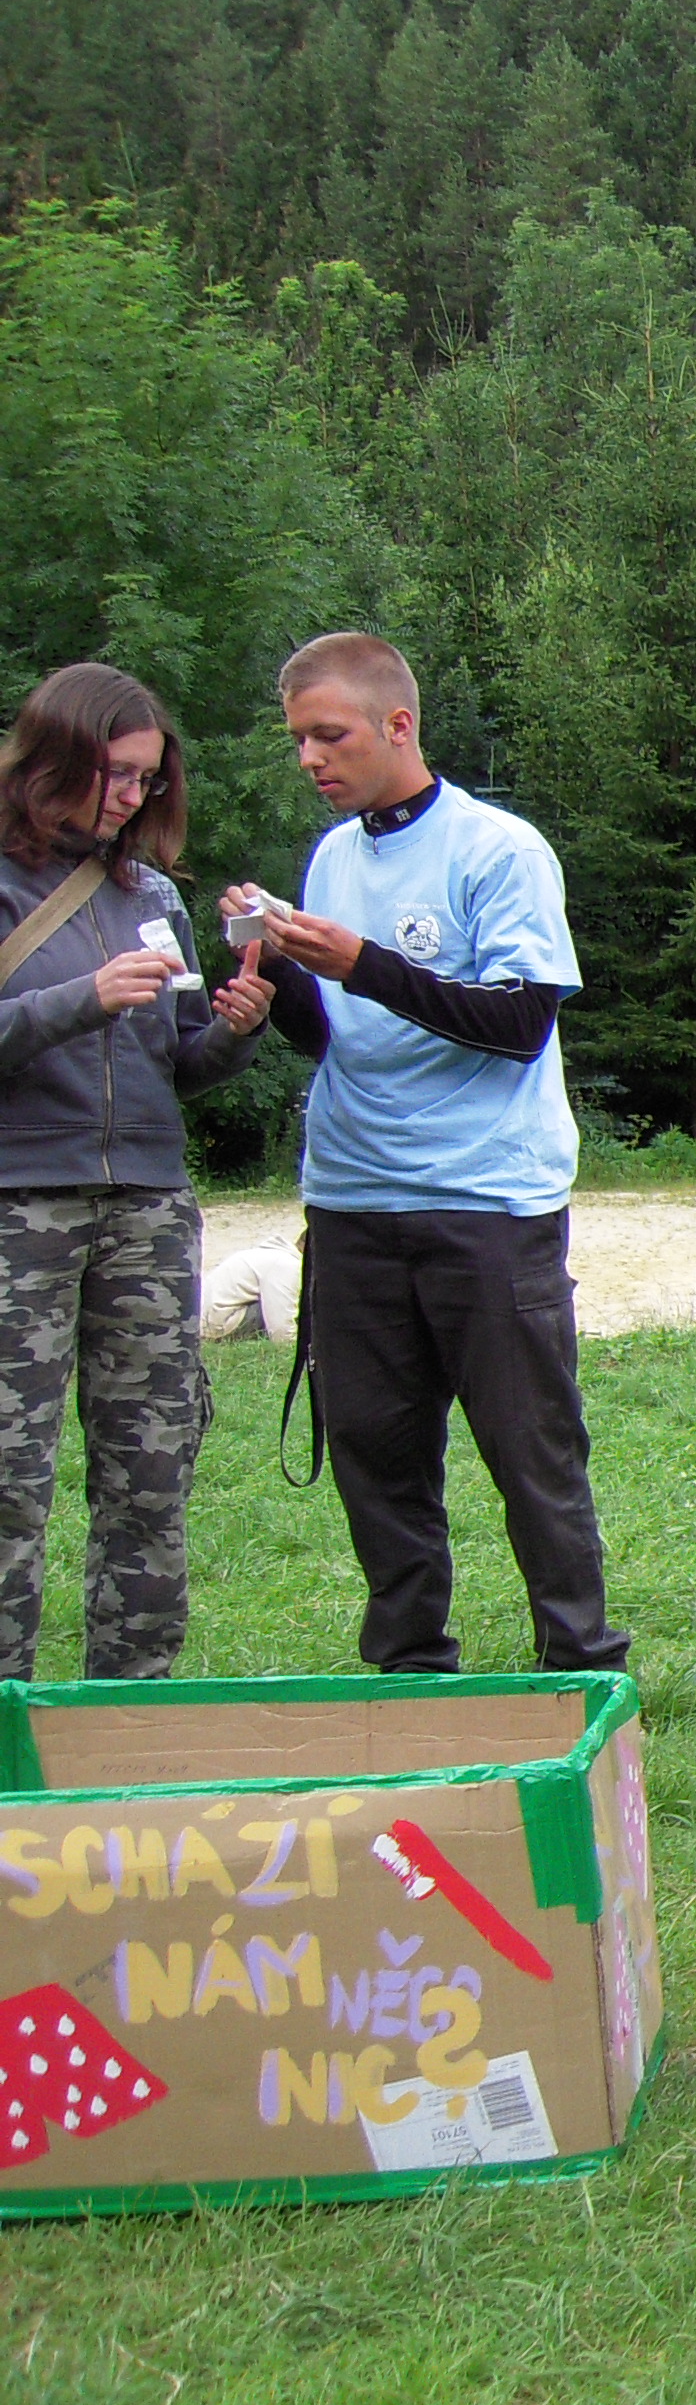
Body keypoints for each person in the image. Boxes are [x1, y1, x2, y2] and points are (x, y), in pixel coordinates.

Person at [244, 633, 622, 1678]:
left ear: (398, 724)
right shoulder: (333, 857)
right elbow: (336, 1036)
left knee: (531, 1451)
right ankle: (411, 1675)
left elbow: (520, 1022)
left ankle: (582, 1669)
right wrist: (276, 984)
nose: (311, 758)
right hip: (353, 1201)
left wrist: (363, 962)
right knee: (375, 1455)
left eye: (331, 735)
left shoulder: (498, 850)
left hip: (485, 1201)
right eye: (299, 740)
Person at [0, 664, 276, 1682]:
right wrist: (81, 998)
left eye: (148, 779)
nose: (131, 795)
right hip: (19, 1206)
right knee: (8, 1477)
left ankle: (131, 1713)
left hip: (149, 1207)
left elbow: (178, 1063)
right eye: (115, 772)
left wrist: (234, 1032)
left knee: (153, 1472)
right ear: (52, 757)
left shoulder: (151, 893)